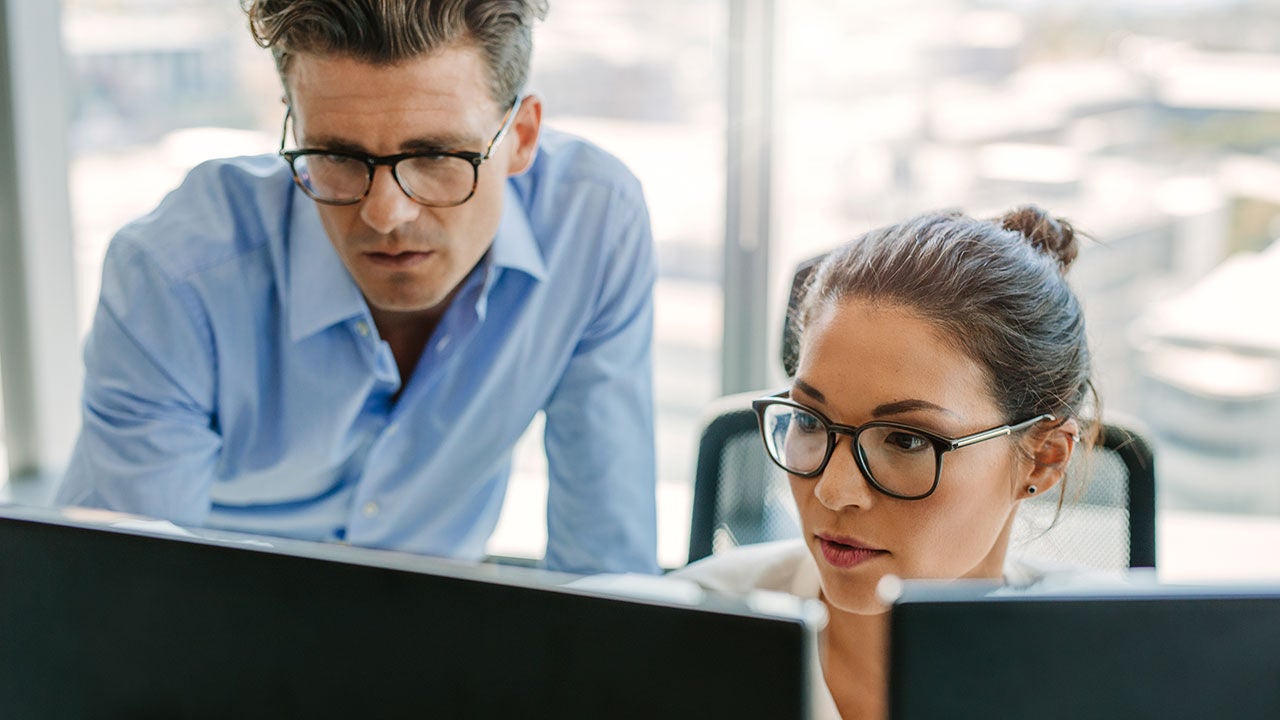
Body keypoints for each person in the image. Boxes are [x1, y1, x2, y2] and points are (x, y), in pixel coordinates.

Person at [56, 0, 660, 575]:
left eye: (435, 155)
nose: (385, 214)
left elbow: (604, 565)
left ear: (521, 137)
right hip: (217, 645)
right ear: (293, 120)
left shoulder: (592, 225)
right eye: (337, 155)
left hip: (443, 649)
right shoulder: (176, 276)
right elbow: (125, 596)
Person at [673, 206, 1095, 719]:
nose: (833, 491)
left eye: (906, 440)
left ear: (1042, 461)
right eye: (809, 421)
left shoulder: (1111, 673)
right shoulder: (681, 630)